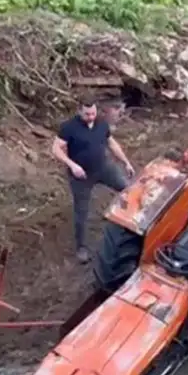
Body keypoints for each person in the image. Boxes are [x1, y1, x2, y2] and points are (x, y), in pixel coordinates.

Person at [51, 100, 136, 263]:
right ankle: (81, 247)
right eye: (87, 114)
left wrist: (126, 162)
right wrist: (72, 165)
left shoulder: (101, 124)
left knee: (128, 190)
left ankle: (130, 222)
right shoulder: (69, 127)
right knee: (81, 211)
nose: (91, 117)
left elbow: (111, 143)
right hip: (81, 176)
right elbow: (56, 149)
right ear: (79, 111)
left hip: (103, 168)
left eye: (93, 113)